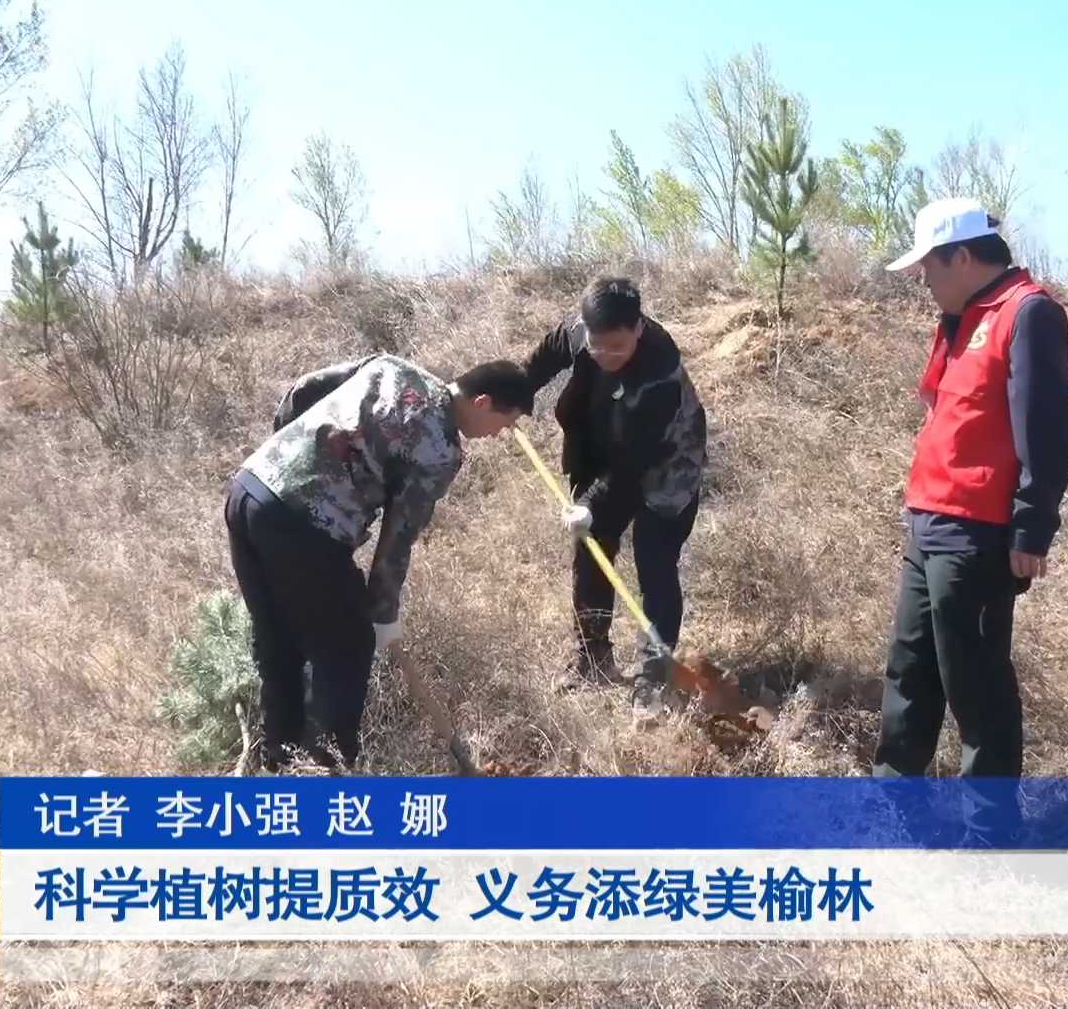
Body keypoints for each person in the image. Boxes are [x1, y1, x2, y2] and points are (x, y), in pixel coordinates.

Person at [223, 353, 533, 771]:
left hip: (248, 487)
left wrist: (288, 453)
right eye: (505, 423)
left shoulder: (392, 367)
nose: (499, 434)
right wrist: (382, 613)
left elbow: (305, 388)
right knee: (347, 647)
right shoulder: (440, 449)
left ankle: (278, 765)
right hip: (304, 524)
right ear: (483, 403)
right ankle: (325, 773)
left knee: (277, 637)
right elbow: (399, 535)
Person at [873, 198, 1068, 778]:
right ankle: (894, 808)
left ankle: (990, 826)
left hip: (976, 532)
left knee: (977, 686)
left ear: (961, 257)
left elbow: (1047, 429)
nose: (924, 282)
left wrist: (1032, 527)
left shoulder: (1027, 313)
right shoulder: (962, 317)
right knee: (909, 672)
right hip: (928, 522)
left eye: (928, 268)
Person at [522, 276, 707, 707]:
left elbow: (633, 464)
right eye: (597, 346)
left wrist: (592, 504)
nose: (605, 355)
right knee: (591, 547)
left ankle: (654, 675)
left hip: (667, 462)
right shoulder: (582, 330)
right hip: (606, 445)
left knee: (655, 561)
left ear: (638, 328)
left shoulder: (660, 374)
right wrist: (515, 393)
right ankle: (592, 657)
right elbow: (546, 356)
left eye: (617, 347)